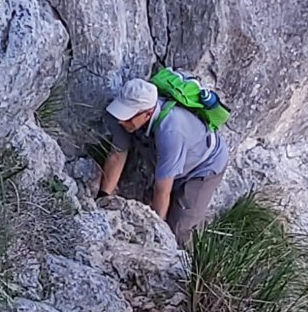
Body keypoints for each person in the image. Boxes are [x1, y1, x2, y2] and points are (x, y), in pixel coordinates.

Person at [98, 77, 230, 246]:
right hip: (178, 156)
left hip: (204, 166)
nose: (121, 121)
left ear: (147, 113)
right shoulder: (124, 119)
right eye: (121, 113)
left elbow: (162, 191)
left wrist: (156, 234)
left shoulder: (171, 131)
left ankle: (187, 259)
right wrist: (102, 198)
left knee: (179, 230)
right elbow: (117, 154)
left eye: (128, 116)